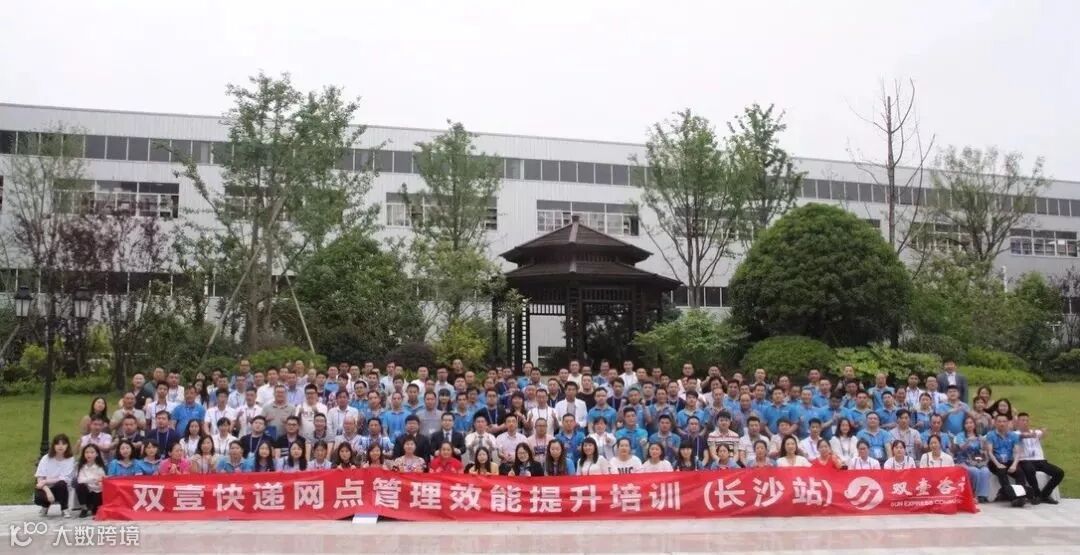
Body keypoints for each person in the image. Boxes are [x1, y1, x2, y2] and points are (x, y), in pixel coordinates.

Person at [1016, 412, 1064, 505]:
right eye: (1022, 420)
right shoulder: (1015, 433)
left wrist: (1043, 430)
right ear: (1018, 422)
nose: (1025, 422)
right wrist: (1032, 434)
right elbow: (1022, 436)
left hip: (1040, 460)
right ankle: (1036, 494)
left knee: (1059, 472)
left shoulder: (1035, 432)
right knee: (1030, 470)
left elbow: (1043, 432)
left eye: (1027, 420)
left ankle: (1044, 495)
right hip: (1025, 460)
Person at [952, 415, 992, 503]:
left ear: (974, 424)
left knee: (985, 471)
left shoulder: (979, 436)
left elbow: (984, 449)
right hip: (963, 461)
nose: (969, 425)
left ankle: (982, 496)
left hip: (977, 461)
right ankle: (973, 495)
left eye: (971, 423)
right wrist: (968, 441)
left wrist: (984, 442)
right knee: (975, 471)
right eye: (966, 423)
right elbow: (962, 448)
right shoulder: (960, 435)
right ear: (964, 425)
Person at [35, 434, 75, 518]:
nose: (60, 446)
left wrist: (46, 481)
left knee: (61, 484)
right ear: (53, 445)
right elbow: (40, 478)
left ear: (67, 445)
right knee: (39, 496)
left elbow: (64, 478)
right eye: (58, 444)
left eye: (63, 444)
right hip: (47, 487)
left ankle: (64, 509)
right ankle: (45, 506)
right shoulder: (46, 458)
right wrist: (48, 491)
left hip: (62, 488)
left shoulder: (70, 459)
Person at [73, 444, 106, 518]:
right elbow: (80, 480)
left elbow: (102, 480)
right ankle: (84, 508)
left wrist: (90, 480)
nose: (89, 454)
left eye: (92, 452)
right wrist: (93, 479)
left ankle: (93, 507)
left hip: (97, 492)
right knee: (80, 486)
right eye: (87, 452)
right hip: (87, 491)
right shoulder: (81, 466)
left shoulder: (100, 467)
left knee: (95, 511)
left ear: (97, 454)